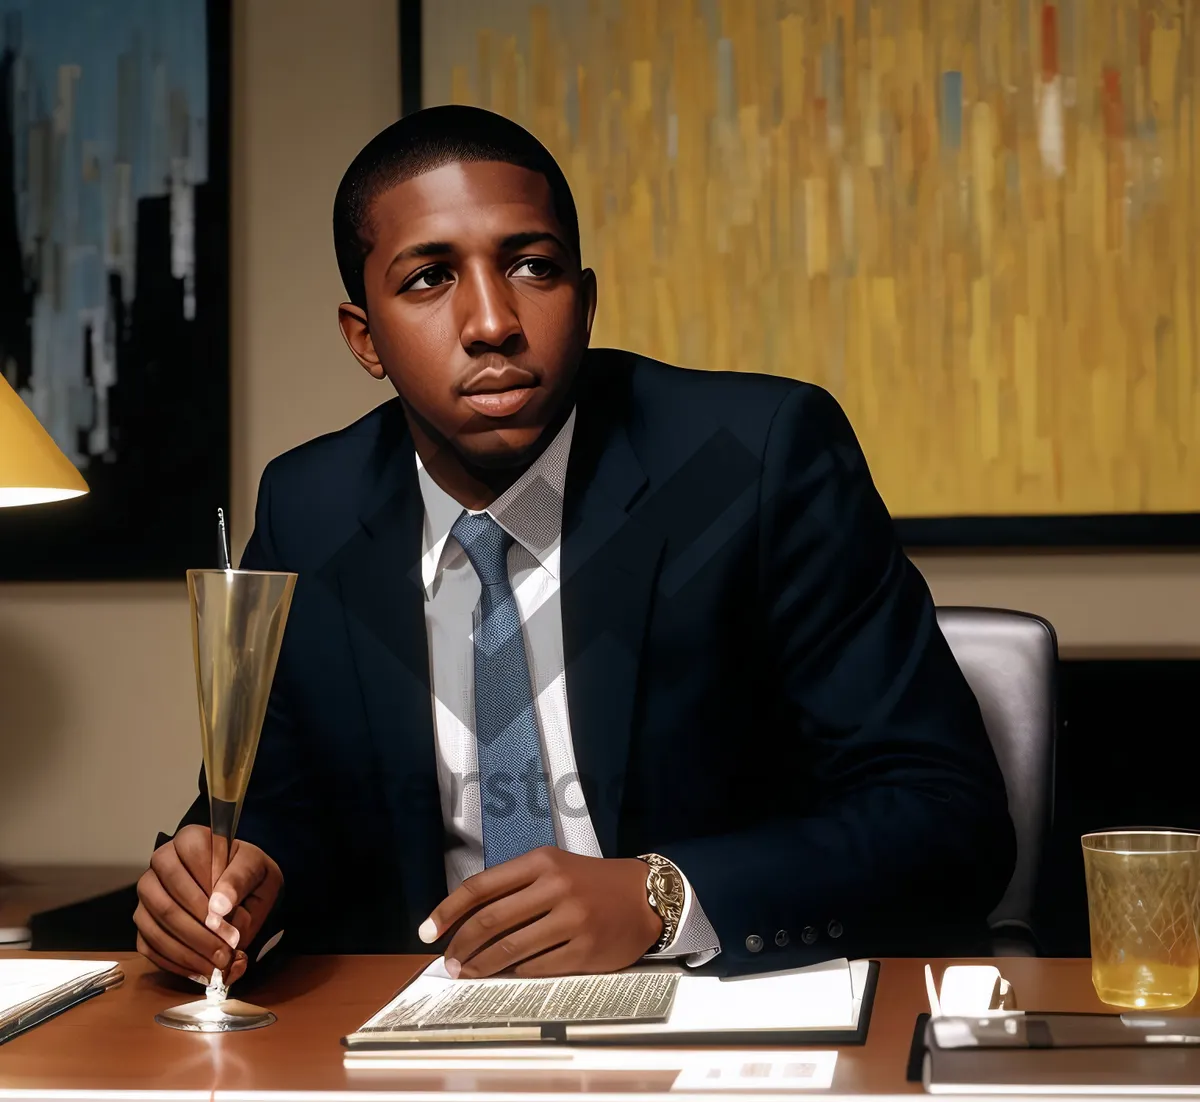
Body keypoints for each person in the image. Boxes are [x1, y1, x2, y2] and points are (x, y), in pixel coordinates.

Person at [134, 106, 1014, 988]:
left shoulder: (753, 462)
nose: (492, 322)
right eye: (431, 278)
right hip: (429, 1049)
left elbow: (944, 817)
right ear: (365, 336)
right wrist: (237, 880)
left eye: (532, 266)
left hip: (720, 1023)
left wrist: (660, 899)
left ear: (586, 303)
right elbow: (276, 803)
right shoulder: (311, 506)